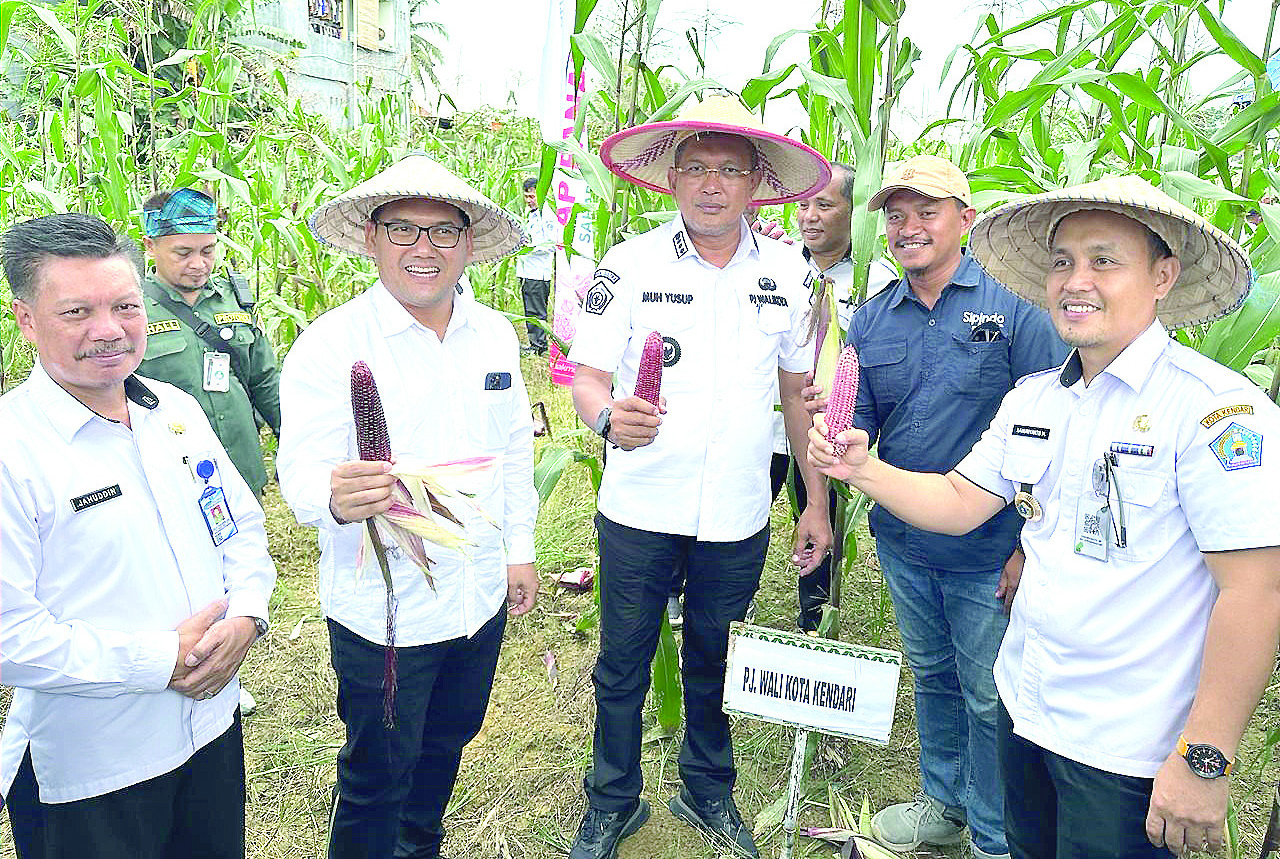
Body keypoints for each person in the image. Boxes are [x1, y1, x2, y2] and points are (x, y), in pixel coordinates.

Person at [810, 174, 1280, 859]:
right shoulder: (1036, 401)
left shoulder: (1215, 415)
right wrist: (863, 468)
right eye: (1063, 262)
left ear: (1162, 275)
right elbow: (959, 500)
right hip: (1025, 707)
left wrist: (1204, 756)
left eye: (1104, 260)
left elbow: (1255, 593)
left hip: (1128, 744)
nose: (1076, 279)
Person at [567, 95, 834, 859]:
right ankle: (611, 800)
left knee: (716, 652)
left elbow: (794, 394)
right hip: (640, 505)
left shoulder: (788, 271)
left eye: (728, 170)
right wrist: (607, 420)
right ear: (671, 178)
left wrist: (814, 502)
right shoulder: (630, 264)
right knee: (621, 661)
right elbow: (586, 378)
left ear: (755, 181)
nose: (711, 185)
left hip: (738, 511)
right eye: (695, 168)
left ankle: (707, 790)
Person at [277, 155, 539, 859]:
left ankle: (420, 844)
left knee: (448, 739)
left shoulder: (493, 335)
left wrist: (520, 549)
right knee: (377, 773)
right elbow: (298, 470)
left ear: (466, 242)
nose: (424, 249)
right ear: (371, 238)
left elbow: (513, 447)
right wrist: (334, 495)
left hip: (475, 593)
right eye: (402, 230)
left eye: (443, 232)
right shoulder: (331, 347)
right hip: (381, 612)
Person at [809, 154, 1068, 858]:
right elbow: (856, 415)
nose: (908, 226)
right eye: (895, 215)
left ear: (966, 218)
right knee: (932, 675)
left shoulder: (1016, 307)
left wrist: (1025, 545)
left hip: (989, 549)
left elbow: (1054, 429)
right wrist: (836, 435)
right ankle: (943, 803)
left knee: (989, 695)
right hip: (905, 541)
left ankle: (991, 832)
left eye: (927, 211)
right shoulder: (872, 320)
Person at [0, 212, 276, 858]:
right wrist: (159, 659)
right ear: (26, 320)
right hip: (97, 769)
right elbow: (10, 635)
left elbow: (240, 530)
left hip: (211, 732)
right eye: (76, 312)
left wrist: (248, 616)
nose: (109, 330)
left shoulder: (172, 412)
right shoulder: (13, 449)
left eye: (125, 305)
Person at [138, 188, 282, 500]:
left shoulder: (233, 299)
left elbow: (264, 379)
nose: (198, 263)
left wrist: (291, 440)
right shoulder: (131, 311)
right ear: (150, 246)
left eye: (207, 251)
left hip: (240, 465)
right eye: (183, 252)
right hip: (173, 475)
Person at [795, 161, 897, 328]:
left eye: (824, 205)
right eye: (803, 206)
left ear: (855, 210)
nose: (809, 217)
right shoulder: (780, 264)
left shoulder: (879, 279)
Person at [517, 177, 558, 355]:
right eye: (526, 196)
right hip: (526, 271)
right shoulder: (529, 213)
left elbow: (551, 244)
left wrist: (529, 248)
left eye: (532, 196)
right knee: (529, 310)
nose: (528, 200)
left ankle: (539, 347)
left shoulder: (547, 215)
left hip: (538, 272)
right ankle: (534, 344)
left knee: (536, 311)